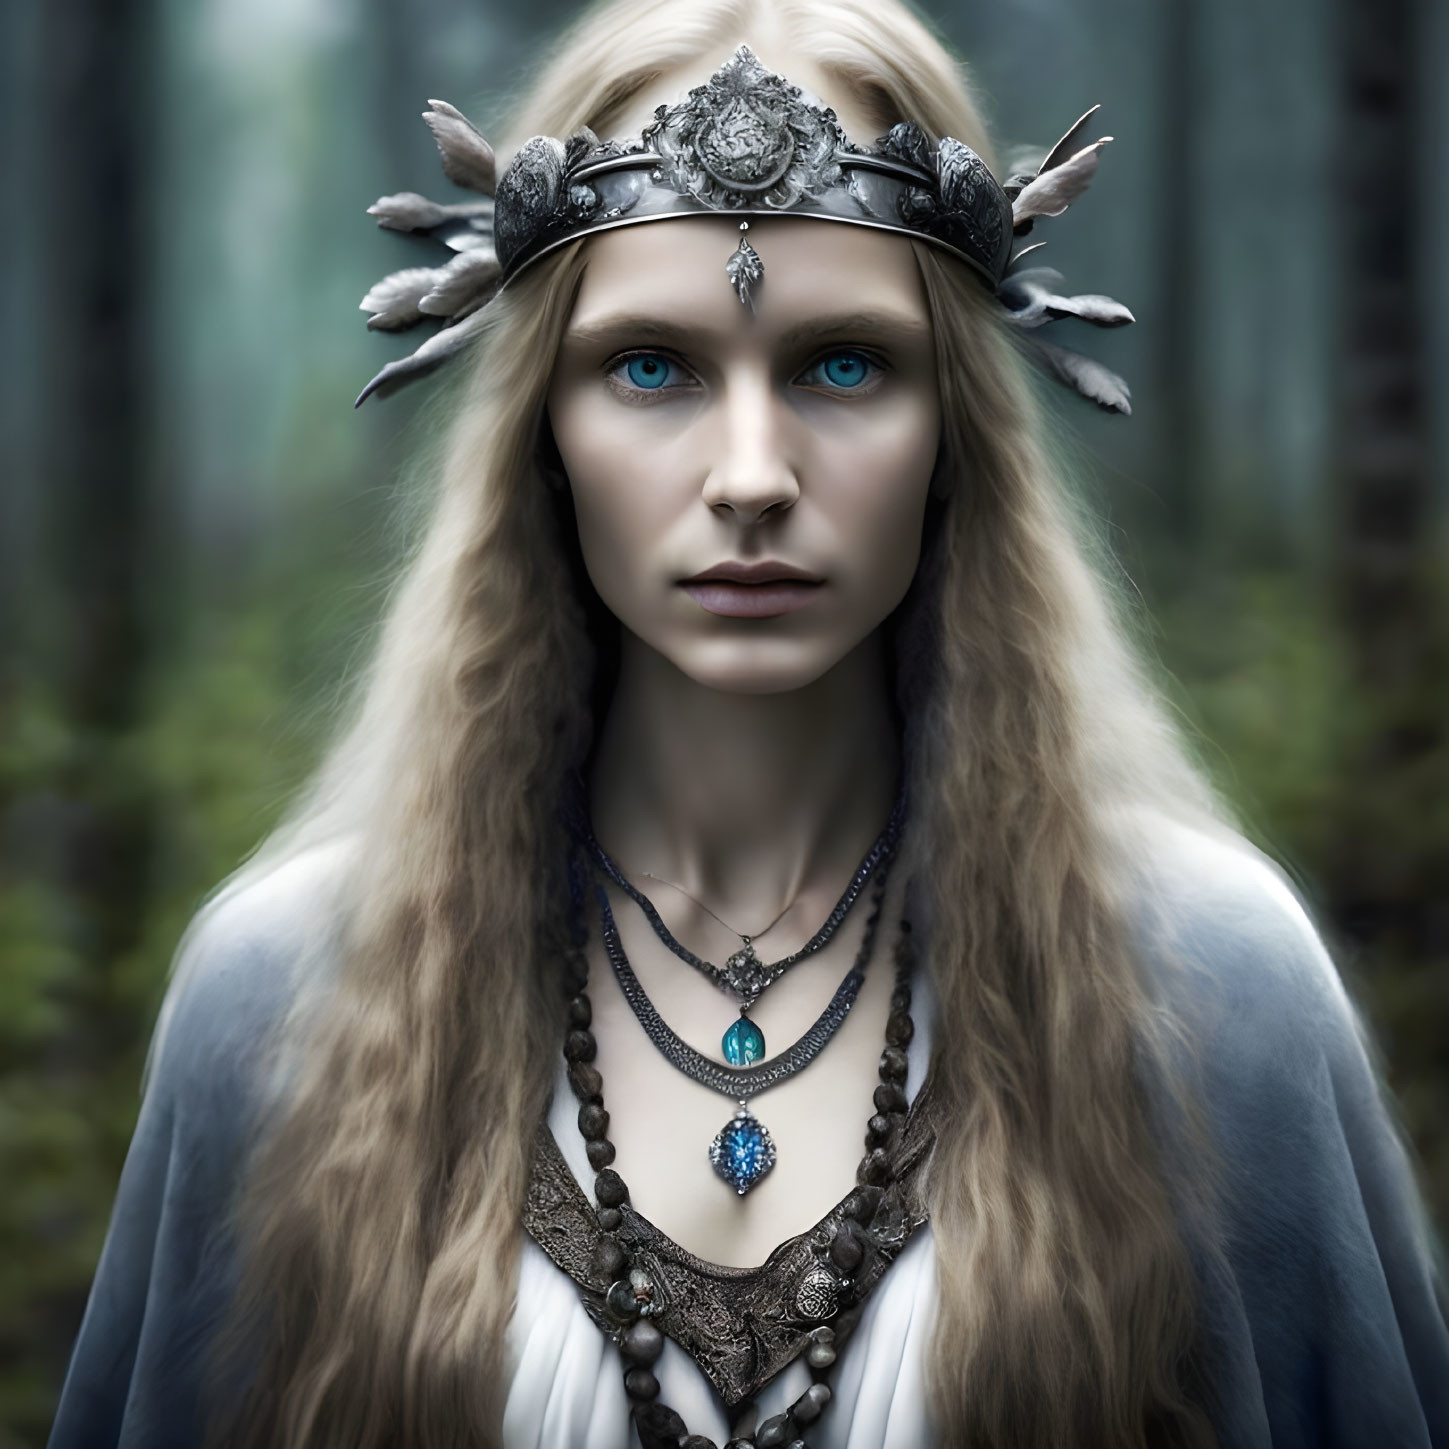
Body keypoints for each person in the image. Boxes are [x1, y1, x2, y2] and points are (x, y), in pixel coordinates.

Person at [48, 1, 1449, 1446]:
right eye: (649, 366)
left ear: (953, 421)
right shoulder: (283, 1002)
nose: (750, 473)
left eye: (842, 364)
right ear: (543, 426)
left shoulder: (1214, 990)